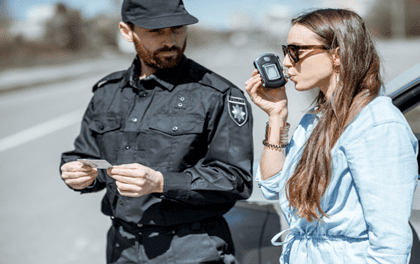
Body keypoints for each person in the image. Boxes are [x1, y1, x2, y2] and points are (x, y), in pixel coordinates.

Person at [60, 0, 254, 263]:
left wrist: (161, 183)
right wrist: (79, 172)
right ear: (126, 31)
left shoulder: (218, 95)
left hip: (191, 247)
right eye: (156, 31)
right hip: (122, 246)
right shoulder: (107, 93)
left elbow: (236, 180)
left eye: (178, 28)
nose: (170, 40)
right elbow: (84, 154)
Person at [245, 8, 418, 264]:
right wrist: (277, 115)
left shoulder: (377, 125)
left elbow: (390, 244)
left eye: (296, 51)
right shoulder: (316, 119)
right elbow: (272, 186)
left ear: (337, 54)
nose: (285, 62)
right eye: (285, 50)